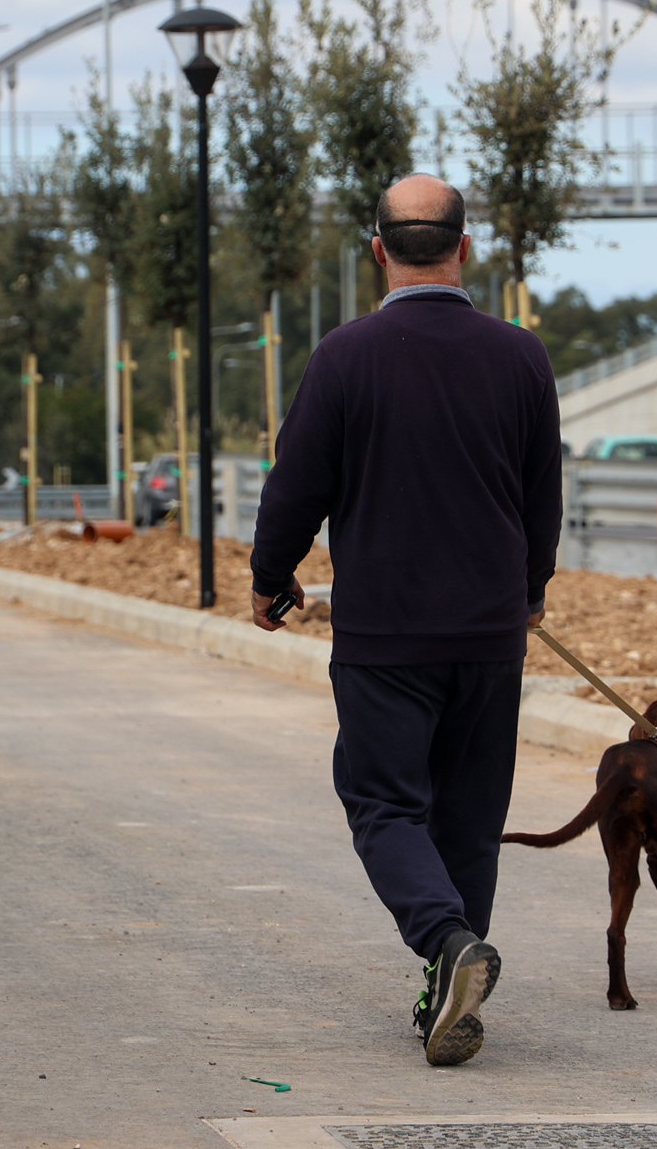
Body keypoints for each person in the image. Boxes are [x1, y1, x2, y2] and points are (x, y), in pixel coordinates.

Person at [247, 174, 561, 1068]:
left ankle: (448, 946)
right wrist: (530, 588)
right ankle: (447, 993)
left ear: (377, 250)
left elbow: (295, 483)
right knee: (469, 816)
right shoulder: (521, 357)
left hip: (387, 638)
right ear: (466, 246)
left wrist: (273, 577)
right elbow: (544, 496)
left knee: (384, 801)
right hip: (491, 633)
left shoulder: (346, 357)